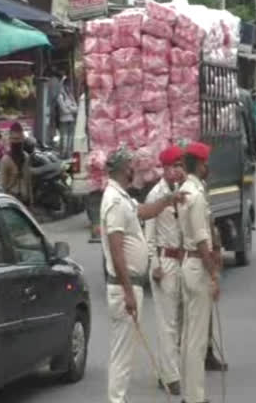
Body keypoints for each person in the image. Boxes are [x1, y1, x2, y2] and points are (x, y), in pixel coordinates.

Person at [101, 145, 185, 403]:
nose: (134, 169)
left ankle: (119, 398)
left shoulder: (123, 197)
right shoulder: (114, 201)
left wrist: (168, 200)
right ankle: (116, 400)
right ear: (122, 169)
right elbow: (116, 251)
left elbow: (144, 212)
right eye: (131, 165)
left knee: (126, 351)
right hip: (124, 286)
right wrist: (128, 291)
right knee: (122, 353)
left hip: (132, 285)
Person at [179, 142, 221, 403]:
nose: (208, 167)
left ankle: (189, 393)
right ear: (200, 165)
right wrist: (214, 274)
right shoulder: (194, 195)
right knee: (195, 339)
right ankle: (195, 397)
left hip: (189, 263)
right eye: (206, 163)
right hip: (196, 265)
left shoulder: (188, 190)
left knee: (188, 335)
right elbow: (201, 239)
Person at [145, 145, 187, 396]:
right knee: (167, 323)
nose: (179, 170)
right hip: (165, 260)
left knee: (181, 321)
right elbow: (148, 236)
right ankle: (170, 377)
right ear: (165, 168)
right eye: (175, 166)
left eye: (181, 166)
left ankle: (170, 369)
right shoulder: (155, 196)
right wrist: (154, 265)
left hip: (184, 260)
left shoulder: (184, 191)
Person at [0, 122, 32, 205]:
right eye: (15, 139)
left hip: (23, 199)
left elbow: (28, 180)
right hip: (12, 200)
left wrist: (31, 201)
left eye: (19, 139)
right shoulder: (6, 160)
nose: (17, 143)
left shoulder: (26, 157)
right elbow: (3, 185)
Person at [57, 76, 78, 159]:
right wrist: (71, 107)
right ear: (63, 85)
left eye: (70, 86)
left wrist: (69, 107)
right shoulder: (60, 96)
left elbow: (76, 108)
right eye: (67, 85)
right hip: (63, 122)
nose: (69, 87)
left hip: (71, 121)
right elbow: (63, 110)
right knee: (64, 142)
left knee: (70, 142)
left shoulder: (70, 96)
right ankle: (62, 158)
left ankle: (69, 158)